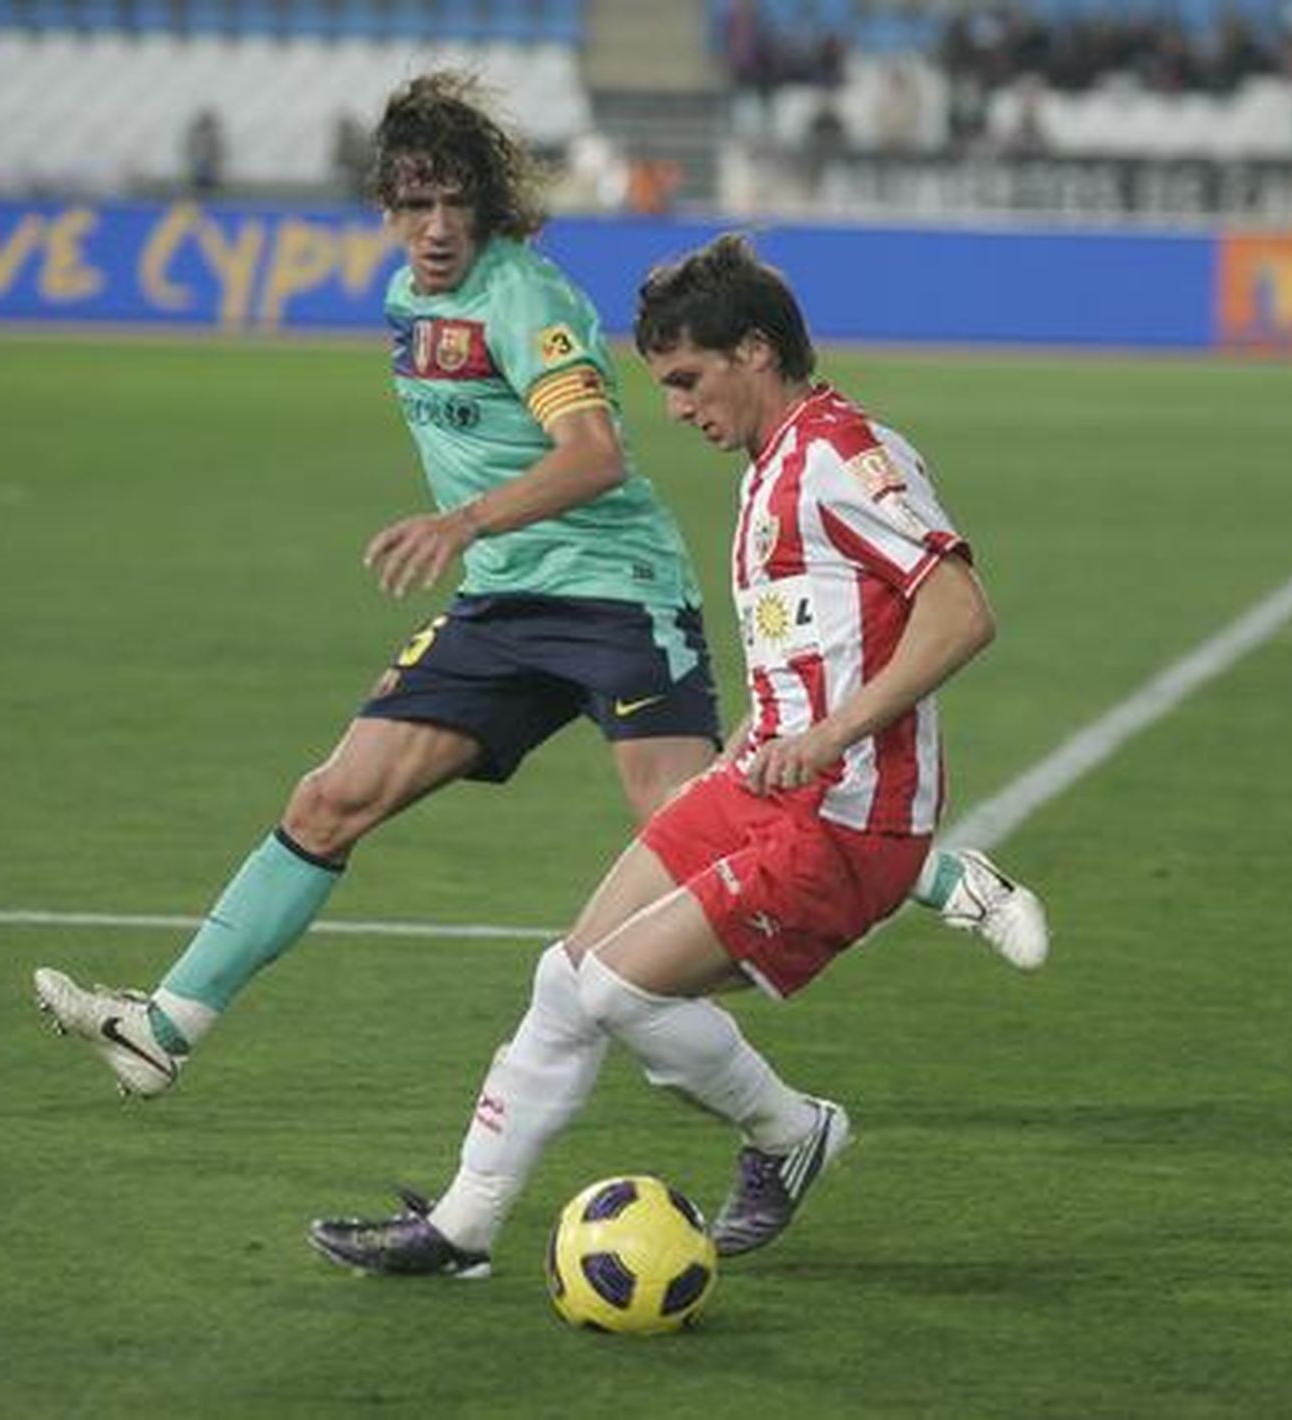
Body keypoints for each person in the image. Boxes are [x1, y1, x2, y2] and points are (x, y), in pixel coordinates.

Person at [33, 76, 1043, 1103]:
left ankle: (930, 875)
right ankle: (166, 1025)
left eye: (453, 205)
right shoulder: (406, 299)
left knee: (709, 825)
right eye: (413, 205)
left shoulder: (525, 298)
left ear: (488, 204)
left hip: (617, 596)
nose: (433, 229)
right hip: (503, 605)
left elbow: (596, 454)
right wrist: (477, 546)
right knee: (332, 797)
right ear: (384, 206)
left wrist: (462, 520)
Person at [309, 234, 1045, 1278]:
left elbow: (960, 612)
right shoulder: (771, 466)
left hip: (848, 823)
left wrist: (832, 735)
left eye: (688, 380)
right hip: (762, 788)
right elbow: (817, 639)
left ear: (754, 350)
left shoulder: (842, 455)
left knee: (619, 990)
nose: (678, 407)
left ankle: (791, 1135)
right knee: (565, 976)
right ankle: (462, 1228)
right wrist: (758, 734)